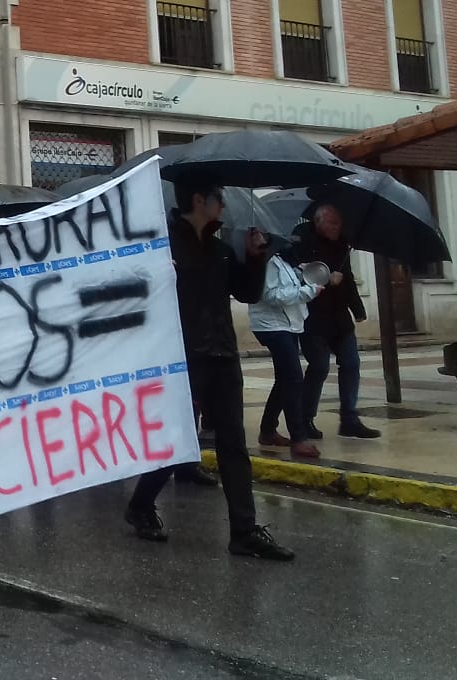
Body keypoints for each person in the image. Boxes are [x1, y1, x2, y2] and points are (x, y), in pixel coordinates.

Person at [124, 178, 294, 561]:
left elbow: (247, 293)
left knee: (233, 443)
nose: (224, 206)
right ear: (200, 200)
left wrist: (255, 257)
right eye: (220, 199)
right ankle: (140, 504)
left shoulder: (220, 249)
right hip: (179, 357)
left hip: (221, 354)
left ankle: (244, 531)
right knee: (175, 439)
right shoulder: (160, 245)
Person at [295, 205, 379, 440]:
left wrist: (358, 308)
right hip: (313, 318)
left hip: (340, 317)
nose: (336, 228)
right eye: (332, 224)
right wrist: (326, 278)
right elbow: (299, 273)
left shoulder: (342, 243)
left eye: (339, 224)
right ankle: (305, 418)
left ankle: (349, 418)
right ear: (319, 221)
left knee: (351, 363)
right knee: (319, 367)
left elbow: (348, 276)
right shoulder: (302, 238)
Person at [250, 252, 326, 459]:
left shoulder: (279, 260)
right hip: (272, 326)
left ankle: (268, 430)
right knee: (293, 379)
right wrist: (307, 292)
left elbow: (284, 287)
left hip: (287, 325)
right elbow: (272, 295)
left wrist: (299, 274)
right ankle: (298, 438)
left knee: (284, 379)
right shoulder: (267, 262)